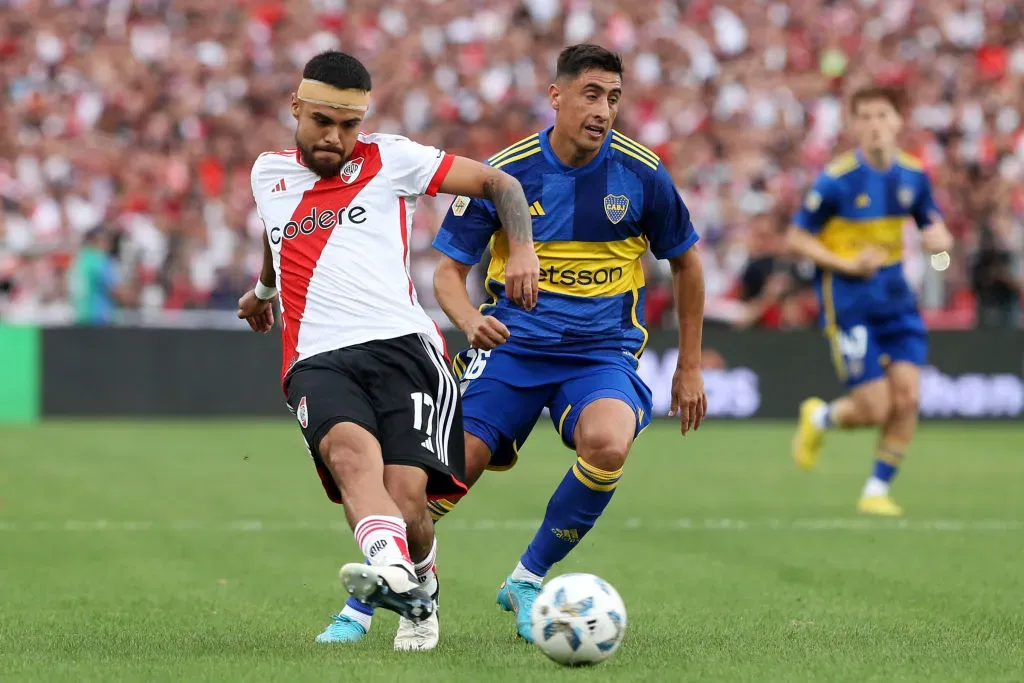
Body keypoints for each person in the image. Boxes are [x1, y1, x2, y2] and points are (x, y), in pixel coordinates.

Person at [330, 43, 708, 644]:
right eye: (591, 94)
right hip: (511, 351)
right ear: (554, 96)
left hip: (600, 354)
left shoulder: (642, 174)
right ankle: (370, 607)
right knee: (430, 487)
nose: (604, 110)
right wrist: (468, 320)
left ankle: (527, 577)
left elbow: (688, 264)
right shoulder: (507, 173)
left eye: (613, 98)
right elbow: (448, 272)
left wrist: (688, 366)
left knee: (608, 443)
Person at [236, 50, 539, 651]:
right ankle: (395, 576)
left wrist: (522, 248)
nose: (335, 137)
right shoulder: (265, 173)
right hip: (316, 357)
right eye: (322, 121)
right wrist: (263, 291)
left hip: (405, 349)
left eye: (349, 125)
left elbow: (501, 183)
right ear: (296, 108)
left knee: (409, 506)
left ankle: (417, 590)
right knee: (351, 459)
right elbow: (278, 234)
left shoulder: (393, 158)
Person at [787, 84, 954, 517]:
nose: (875, 125)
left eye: (883, 116)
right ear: (854, 125)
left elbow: (939, 250)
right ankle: (819, 419)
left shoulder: (914, 175)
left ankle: (876, 490)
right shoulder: (837, 180)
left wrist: (942, 247)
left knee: (909, 399)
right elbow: (797, 237)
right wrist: (844, 264)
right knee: (875, 407)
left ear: (898, 121)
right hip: (849, 302)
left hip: (897, 300)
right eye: (865, 117)